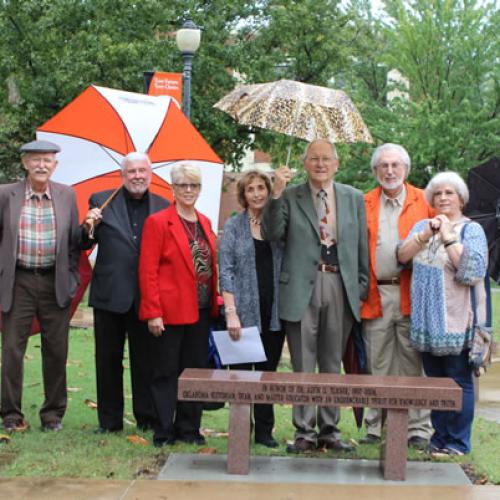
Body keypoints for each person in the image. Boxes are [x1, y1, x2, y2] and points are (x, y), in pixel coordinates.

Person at [262, 139, 369, 453]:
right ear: (304, 163)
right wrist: (276, 193)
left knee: (331, 361)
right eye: (314, 159)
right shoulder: (291, 195)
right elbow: (272, 233)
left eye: (326, 159)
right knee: (303, 363)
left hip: (340, 284)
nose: (320, 164)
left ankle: (330, 431)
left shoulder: (353, 198)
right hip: (301, 288)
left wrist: (359, 286)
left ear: (337, 164)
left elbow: (361, 245)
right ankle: (305, 432)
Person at [397, 171, 487, 455]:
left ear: (460, 198)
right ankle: (440, 437)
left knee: (458, 381)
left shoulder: (471, 230)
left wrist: (449, 238)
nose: (443, 197)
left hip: (456, 319)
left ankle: (458, 442)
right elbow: (402, 255)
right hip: (426, 321)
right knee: (435, 383)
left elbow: (472, 273)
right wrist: (426, 234)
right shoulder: (423, 225)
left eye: (449, 193)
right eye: (438, 193)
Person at [78, 152, 169, 433]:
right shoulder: (100, 201)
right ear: (122, 175)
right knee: (107, 361)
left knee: (146, 362)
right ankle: (109, 421)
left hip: (147, 297)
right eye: (132, 172)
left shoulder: (164, 206)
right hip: (110, 294)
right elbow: (82, 242)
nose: (138, 176)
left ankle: (147, 418)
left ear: (150, 174)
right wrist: (88, 224)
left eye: (142, 171)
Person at [0, 140, 80, 432]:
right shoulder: (5, 195)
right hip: (18, 280)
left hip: (53, 281)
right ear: (25, 164)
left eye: (47, 160)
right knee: (11, 350)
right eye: (35, 160)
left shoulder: (66, 195)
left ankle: (52, 415)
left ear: (55, 164)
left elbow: (74, 242)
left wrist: (70, 277)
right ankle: (10, 414)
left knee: (56, 350)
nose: (41, 165)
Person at [139, 163, 219, 447]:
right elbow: (147, 271)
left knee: (195, 372)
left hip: (200, 310)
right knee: (165, 372)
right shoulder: (158, 222)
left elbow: (210, 264)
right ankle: (163, 429)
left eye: (194, 185)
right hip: (169, 312)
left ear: (199, 189)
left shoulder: (205, 222)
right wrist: (153, 312)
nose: (188, 190)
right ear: (173, 188)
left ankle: (189, 428)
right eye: (183, 185)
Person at [360, 144, 433, 449]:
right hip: (376, 293)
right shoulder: (363, 202)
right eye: (383, 166)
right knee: (377, 361)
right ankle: (375, 426)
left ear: (406, 169)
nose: (389, 171)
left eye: (395, 165)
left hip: (411, 292)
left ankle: (417, 428)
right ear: (376, 171)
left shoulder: (424, 200)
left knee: (411, 361)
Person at [219, 170, 285, 448]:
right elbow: (227, 271)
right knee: (243, 374)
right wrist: (231, 313)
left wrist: (281, 191)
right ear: (243, 195)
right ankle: (241, 429)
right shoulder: (234, 225)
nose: (257, 193)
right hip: (243, 313)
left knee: (267, 373)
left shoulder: (278, 224)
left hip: (274, 313)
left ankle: (265, 432)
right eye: (251, 189)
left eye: (261, 188)